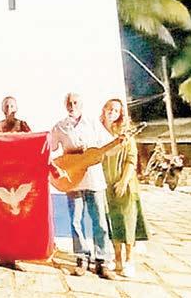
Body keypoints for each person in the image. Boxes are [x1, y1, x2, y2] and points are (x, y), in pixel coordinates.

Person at [50, 93, 118, 279]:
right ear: (65, 105)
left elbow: (108, 145)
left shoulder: (93, 123)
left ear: (81, 104)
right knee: (75, 220)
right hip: (72, 178)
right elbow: (49, 148)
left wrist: (118, 142)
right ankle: (82, 258)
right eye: (69, 103)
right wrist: (58, 168)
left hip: (93, 177)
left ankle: (102, 261)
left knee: (99, 220)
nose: (72, 106)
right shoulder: (60, 126)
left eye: (75, 102)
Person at [101, 98, 145, 278]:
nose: (112, 112)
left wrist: (123, 181)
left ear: (121, 114)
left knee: (128, 222)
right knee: (113, 223)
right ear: (104, 110)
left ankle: (129, 260)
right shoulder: (99, 133)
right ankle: (117, 258)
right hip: (106, 185)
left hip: (125, 185)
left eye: (116, 110)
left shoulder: (126, 134)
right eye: (110, 109)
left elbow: (131, 159)